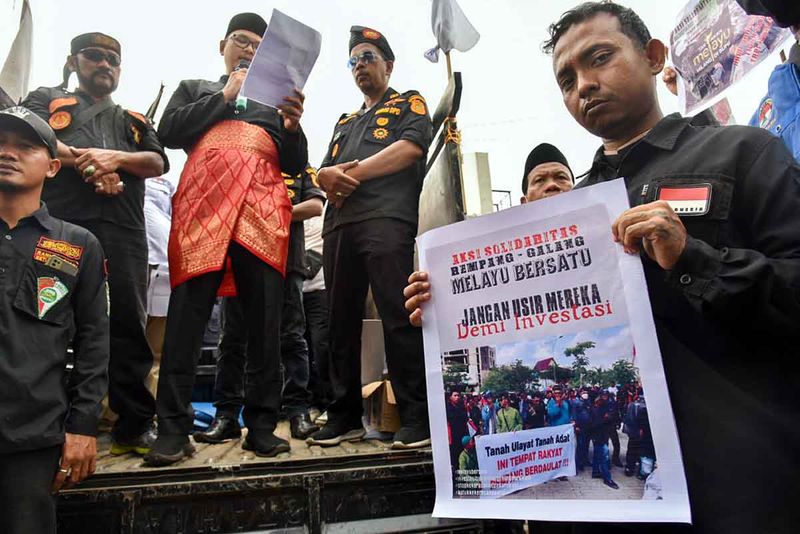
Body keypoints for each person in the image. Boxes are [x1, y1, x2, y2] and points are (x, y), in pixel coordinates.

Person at [545, 2, 800, 531]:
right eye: (567, 79)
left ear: (654, 56)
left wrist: (693, 258)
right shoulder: (565, 215)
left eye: (599, 58)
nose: (584, 86)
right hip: (627, 501)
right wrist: (446, 310)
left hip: (744, 486)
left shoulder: (746, 153)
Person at [146, 12, 308, 465]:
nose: (250, 51)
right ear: (223, 45)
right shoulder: (196, 89)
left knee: (264, 324)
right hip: (203, 206)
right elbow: (168, 132)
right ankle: (173, 430)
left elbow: (295, 163)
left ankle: (260, 427)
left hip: (261, 209)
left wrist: (293, 127)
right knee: (186, 319)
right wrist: (224, 96)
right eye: (242, 41)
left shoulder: (277, 104)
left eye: (259, 46)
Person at [21, 32, 168, 455]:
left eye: (113, 59)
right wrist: (91, 164)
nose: (105, 64)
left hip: (122, 233)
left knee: (127, 325)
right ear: (73, 61)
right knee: (48, 320)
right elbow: (35, 139)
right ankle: (44, 424)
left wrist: (116, 159)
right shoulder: (47, 100)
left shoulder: (134, 120)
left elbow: (157, 161)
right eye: (95, 56)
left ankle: (134, 424)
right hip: (59, 228)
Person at [307, 26, 433, 450]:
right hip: (339, 225)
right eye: (354, 60)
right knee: (339, 322)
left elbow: (413, 148)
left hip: (387, 219)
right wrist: (324, 176)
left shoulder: (407, 102)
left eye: (368, 57)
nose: (360, 65)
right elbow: (324, 171)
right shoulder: (344, 123)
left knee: (399, 313)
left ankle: (417, 414)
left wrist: (352, 174)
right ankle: (343, 415)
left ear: (388, 65)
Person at [0, 107, 109, 534]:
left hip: (33, 438)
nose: (8, 153)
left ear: (53, 166)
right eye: (0, 144)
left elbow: (94, 343)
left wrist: (83, 427)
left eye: (25, 146)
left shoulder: (77, 244)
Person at [194, 166, 324, 443]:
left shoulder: (298, 164)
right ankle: (226, 415)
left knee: (291, 337)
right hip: (240, 263)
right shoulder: (239, 164)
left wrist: (267, 215)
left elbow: (314, 205)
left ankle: (297, 411)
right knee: (231, 341)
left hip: (286, 262)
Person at [404, 141, 574, 327]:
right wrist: (433, 308)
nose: (552, 185)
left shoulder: (608, 232)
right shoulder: (499, 258)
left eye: (561, 177)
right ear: (524, 202)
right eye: (540, 180)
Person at [303, 209, 330, 417]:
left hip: (320, 290)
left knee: (321, 345)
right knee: (301, 349)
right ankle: (309, 403)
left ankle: (327, 401)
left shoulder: (323, 210)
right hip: (294, 294)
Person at [587, 395, 619, 490]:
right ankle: (607, 478)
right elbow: (593, 424)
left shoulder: (603, 409)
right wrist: (604, 419)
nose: (603, 401)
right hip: (598, 436)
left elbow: (610, 419)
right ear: (597, 401)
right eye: (601, 400)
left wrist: (608, 418)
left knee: (597, 455)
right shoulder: (594, 410)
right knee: (605, 457)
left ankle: (596, 472)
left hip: (602, 436)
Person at [446, 390, 469, 468]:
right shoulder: (448, 407)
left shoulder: (462, 406)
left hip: (462, 434)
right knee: (455, 457)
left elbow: (465, 418)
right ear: (450, 397)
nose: (457, 397)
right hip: (453, 436)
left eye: (458, 395)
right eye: (455, 395)